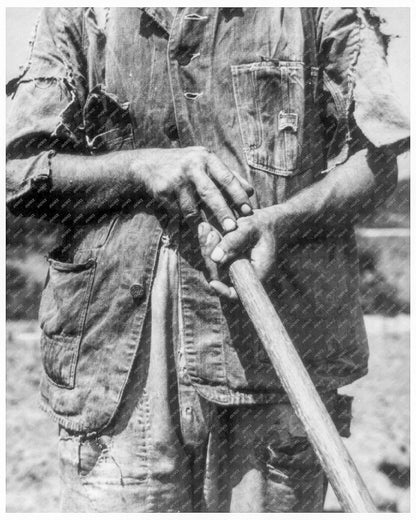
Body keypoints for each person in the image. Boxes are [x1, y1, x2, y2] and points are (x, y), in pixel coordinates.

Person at [6, 7, 409, 512]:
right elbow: (20, 179)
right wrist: (139, 169)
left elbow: (378, 162)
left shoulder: (320, 10)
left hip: (276, 358)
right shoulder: (84, 11)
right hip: (115, 363)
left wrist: (282, 221)